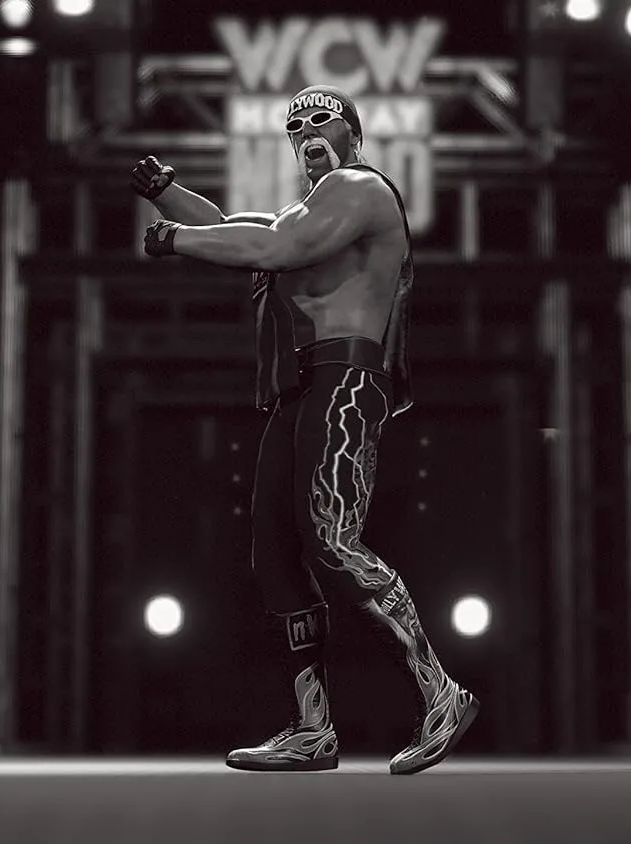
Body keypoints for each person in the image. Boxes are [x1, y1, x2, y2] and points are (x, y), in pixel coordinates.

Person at [132, 85, 478, 775]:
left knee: (331, 539)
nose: (307, 131)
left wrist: (175, 238)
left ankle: (441, 692)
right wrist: (167, 194)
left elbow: (276, 246)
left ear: (353, 135)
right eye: (296, 126)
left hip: (346, 379)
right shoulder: (307, 210)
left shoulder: (361, 190)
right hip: (299, 389)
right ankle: (313, 727)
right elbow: (237, 227)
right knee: (275, 554)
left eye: (322, 119)